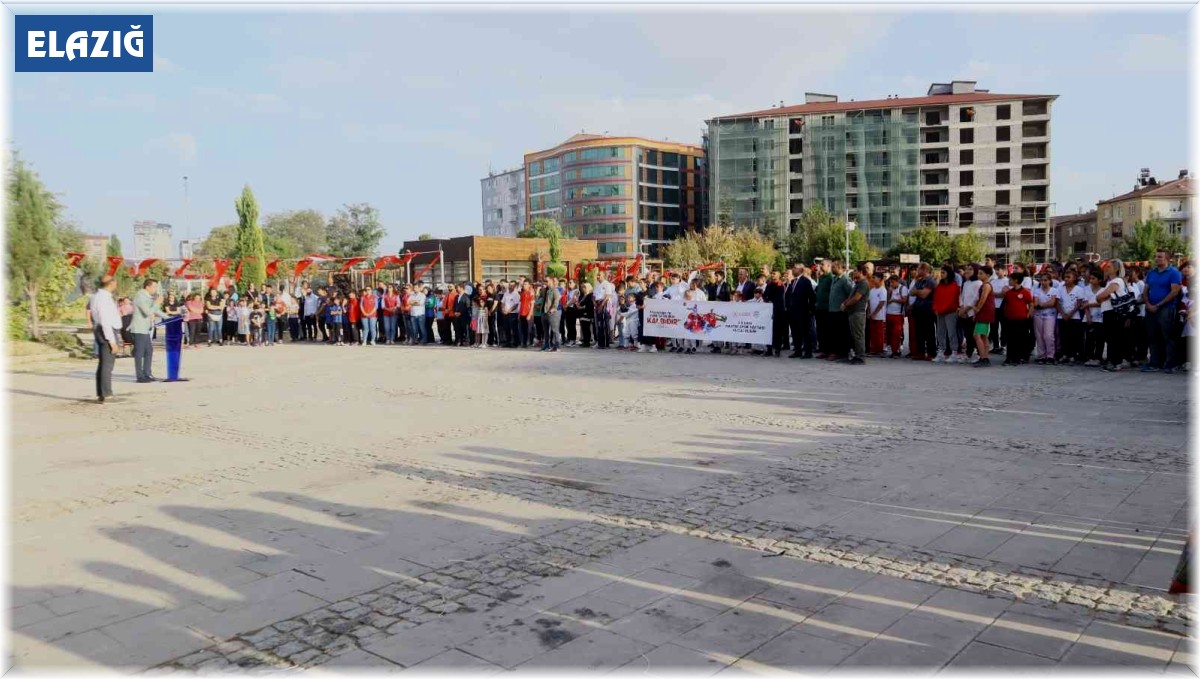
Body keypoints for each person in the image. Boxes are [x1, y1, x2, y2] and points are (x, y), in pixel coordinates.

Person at [1143, 250, 1183, 373]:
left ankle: (1171, 364)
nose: (1157, 258)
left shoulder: (1174, 272)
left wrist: (1159, 304)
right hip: (1151, 308)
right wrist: (1148, 304)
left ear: (1167, 259)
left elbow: (1174, 291)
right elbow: (1145, 290)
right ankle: (1155, 363)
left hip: (1166, 308)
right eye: (1156, 256)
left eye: (1160, 257)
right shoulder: (1151, 273)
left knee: (1168, 336)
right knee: (1153, 336)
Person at [131, 279, 171, 382]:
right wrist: (157, 302)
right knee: (139, 353)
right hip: (139, 328)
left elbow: (155, 310)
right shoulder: (140, 296)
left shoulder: (148, 297)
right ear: (147, 287)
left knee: (149, 351)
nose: (155, 289)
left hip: (145, 329)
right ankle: (140, 376)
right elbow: (148, 312)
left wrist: (169, 318)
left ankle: (147, 374)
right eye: (154, 287)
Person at [1095, 259, 1130, 372]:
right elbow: (1101, 297)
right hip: (1108, 312)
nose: (1106, 268)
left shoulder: (1117, 281)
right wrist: (1101, 296)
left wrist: (1101, 296)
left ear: (1116, 269)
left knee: (1114, 338)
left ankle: (1116, 362)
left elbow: (1104, 295)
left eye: (1109, 267)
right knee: (1110, 338)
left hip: (1114, 312)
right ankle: (1112, 361)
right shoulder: (1109, 282)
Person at [91, 275, 122, 403]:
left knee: (103, 364)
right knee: (107, 365)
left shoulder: (96, 296)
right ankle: (107, 394)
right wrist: (112, 341)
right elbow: (105, 320)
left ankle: (101, 392)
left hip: (101, 329)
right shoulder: (103, 298)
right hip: (106, 331)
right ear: (111, 283)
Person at [1002, 271, 1034, 366]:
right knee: (1010, 339)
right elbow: (1006, 304)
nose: (1009, 281)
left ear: (1016, 280)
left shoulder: (1025, 292)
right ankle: (1010, 357)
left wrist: (1028, 314)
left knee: (1022, 339)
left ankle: (1022, 357)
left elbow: (1031, 304)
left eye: (1010, 279)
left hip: (1022, 319)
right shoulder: (1008, 293)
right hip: (1010, 319)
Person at [1057, 269, 1087, 365]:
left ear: (1074, 278)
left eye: (1068, 277)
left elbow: (1078, 304)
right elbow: (1057, 302)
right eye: (1065, 277)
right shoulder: (1060, 288)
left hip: (1074, 317)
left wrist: (1070, 314)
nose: (1066, 279)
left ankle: (1073, 355)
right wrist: (1062, 313)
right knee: (1063, 336)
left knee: (1073, 337)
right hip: (1061, 316)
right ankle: (1064, 354)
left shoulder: (1079, 289)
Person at [841, 263, 870, 364]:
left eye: (855, 270)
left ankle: (860, 357)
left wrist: (846, 305)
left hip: (858, 312)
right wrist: (845, 303)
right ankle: (857, 355)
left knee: (858, 335)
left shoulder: (863, 283)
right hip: (853, 312)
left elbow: (856, 298)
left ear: (861, 272)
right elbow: (851, 296)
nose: (853, 272)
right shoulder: (858, 283)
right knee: (855, 335)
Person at [932, 265, 961, 364]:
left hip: (950, 312)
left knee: (951, 332)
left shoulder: (955, 286)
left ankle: (954, 352)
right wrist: (936, 308)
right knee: (940, 332)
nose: (941, 274)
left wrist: (941, 309)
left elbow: (953, 301)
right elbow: (936, 298)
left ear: (949, 273)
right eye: (941, 272)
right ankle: (941, 351)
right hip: (940, 312)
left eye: (943, 272)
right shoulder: (939, 286)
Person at [786, 264, 816, 359]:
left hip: (802, 311)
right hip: (792, 311)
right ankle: (797, 350)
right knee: (795, 332)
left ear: (800, 269)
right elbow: (789, 295)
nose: (793, 269)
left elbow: (812, 296)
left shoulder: (805, 281)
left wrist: (810, 309)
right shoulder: (793, 281)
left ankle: (808, 352)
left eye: (794, 268)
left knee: (805, 332)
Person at [909, 263, 937, 361]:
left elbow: (924, 294)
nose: (917, 271)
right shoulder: (919, 280)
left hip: (928, 309)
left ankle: (931, 353)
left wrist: (918, 291)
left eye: (919, 269)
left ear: (925, 270)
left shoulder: (930, 281)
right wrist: (918, 291)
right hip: (918, 309)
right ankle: (920, 352)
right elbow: (911, 292)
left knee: (929, 332)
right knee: (919, 332)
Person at [826, 261, 853, 361]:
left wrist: (845, 304)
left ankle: (842, 353)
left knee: (841, 333)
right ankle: (835, 352)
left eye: (834, 267)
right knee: (833, 332)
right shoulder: (834, 279)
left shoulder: (845, 279)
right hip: (832, 310)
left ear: (840, 268)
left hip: (840, 311)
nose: (832, 269)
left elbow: (851, 293)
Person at [1031, 272, 1060, 364]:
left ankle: (1050, 355)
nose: (1043, 282)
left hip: (1050, 315)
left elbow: (1052, 303)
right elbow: (1035, 304)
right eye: (1042, 280)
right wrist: (1045, 304)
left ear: (1050, 281)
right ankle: (1041, 355)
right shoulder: (1037, 291)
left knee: (1048, 335)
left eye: (1045, 280)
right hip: (1038, 315)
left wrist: (1042, 304)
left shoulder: (1054, 291)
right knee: (1039, 335)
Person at [971, 266, 996, 368]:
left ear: (988, 275)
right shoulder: (984, 285)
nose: (978, 275)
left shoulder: (986, 285)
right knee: (983, 336)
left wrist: (977, 309)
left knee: (977, 335)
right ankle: (985, 357)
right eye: (978, 273)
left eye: (981, 273)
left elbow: (983, 299)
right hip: (984, 312)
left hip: (984, 312)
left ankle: (983, 358)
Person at [763, 270, 787, 357]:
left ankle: (777, 349)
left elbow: (780, 298)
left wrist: (772, 303)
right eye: (772, 273)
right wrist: (767, 300)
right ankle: (769, 349)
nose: (772, 275)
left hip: (778, 311)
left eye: (774, 274)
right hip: (769, 311)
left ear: (779, 275)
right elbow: (764, 295)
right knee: (768, 331)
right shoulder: (769, 284)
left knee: (777, 331)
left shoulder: (780, 285)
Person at [885, 274, 907, 358]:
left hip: (898, 314)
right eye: (890, 282)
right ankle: (892, 350)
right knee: (890, 333)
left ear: (897, 281)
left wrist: (894, 300)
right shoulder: (891, 289)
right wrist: (889, 293)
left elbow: (904, 300)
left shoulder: (902, 288)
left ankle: (896, 350)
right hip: (889, 313)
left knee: (896, 334)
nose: (891, 284)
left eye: (893, 282)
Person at [867, 271, 887, 356]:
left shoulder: (883, 290)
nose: (873, 279)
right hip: (872, 315)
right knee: (873, 333)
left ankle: (880, 349)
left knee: (879, 333)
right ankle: (874, 349)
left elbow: (881, 303)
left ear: (880, 279)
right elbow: (869, 302)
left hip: (879, 316)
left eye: (874, 278)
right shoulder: (872, 290)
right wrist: (869, 312)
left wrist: (874, 313)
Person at [578, 282, 595, 348]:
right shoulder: (583, 295)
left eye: (584, 287)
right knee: (583, 328)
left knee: (586, 328)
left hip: (587, 313)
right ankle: (584, 341)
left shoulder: (590, 295)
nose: (583, 288)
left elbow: (590, 305)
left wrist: (582, 307)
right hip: (582, 313)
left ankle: (587, 342)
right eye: (583, 287)